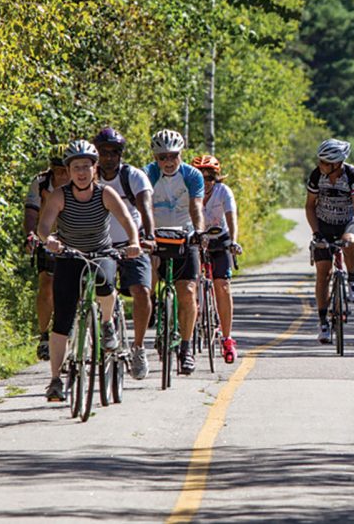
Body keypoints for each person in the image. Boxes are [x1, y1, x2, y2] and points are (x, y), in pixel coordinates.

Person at [36, 140, 142, 402]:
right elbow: (44, 225)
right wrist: (48, 240)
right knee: (62, 319)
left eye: (86, 166)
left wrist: (134, 242)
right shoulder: (60, 195)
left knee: (106, 283)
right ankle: (55, 380)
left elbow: (127, 220)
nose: (81, 172)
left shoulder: (105, 193)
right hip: (70, 256)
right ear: (69, 171)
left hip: (101, 253)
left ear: (95, 169)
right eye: (75, 167)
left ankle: (107, 324)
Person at [93, 127, 155, 380]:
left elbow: (146, 207)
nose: (109, 157)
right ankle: (101, 328)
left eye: (114, 152)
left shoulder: (134, 177)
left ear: (121, 154)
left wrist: (148, 236)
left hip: (132, 242)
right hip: (99, 245)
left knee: (142, 290)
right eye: (104, 152)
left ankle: (138, 348)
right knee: (93, 289)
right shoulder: (88, 178)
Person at [145, 130, 205, 375]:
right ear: (155, 157)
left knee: (188, 291)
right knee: (148, 278)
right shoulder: (147, 174)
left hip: (184, 234)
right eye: (162, 157)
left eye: (173, 156)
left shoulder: (192, 175)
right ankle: (151, 302)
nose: (168, 162)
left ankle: (187, 347)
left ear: (181, 154)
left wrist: (199, 231)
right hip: (156, 234)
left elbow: (196, 207)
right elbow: (144, 205)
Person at [305, 138, 354, 344]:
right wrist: (316, 233)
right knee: (323, 272)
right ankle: (323, 322)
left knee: (350, 242)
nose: (320, 165)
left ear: (337, 164)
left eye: (325, 163)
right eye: (320, 161)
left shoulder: (352, 175)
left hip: (346, 222)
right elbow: (309, 206)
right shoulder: (317, 175)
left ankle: (352, 279)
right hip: (324, 223)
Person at [191, 154, 243, 364]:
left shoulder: (223, 192)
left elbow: (232, 219)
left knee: (222, 286)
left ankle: (227, 338)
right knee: (188, 284)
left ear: (217, 177)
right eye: (201, 176)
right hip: (197, 238)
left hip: (220, 238)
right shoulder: (189, 191)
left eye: (210, 177)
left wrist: (234, 241)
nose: (206, 181)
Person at [22, 144, 70, 360]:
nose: (61, 174)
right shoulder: (40, 182)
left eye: (64, 169)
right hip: (48, 236)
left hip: (74, 237)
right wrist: (31, 235)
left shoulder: (81, 180)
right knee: (46, 284)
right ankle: (43, 336)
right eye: (56, 169)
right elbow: (31, 212)